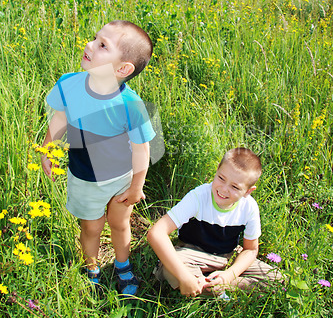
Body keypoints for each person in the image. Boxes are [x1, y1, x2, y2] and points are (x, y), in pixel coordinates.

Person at [41, 20, 156, 295]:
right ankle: (91, 266)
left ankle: (122, 264)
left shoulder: (131, 105)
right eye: (94, 38)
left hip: (120, 180)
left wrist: (136, 187)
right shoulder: (69, 84)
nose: (89, 45)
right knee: (91, 227)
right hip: (84, 177)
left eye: (102, 45)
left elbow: (142, 150)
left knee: (119, 223)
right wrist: (47, 149)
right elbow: (60, 118)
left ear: (122, 69)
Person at [148, 148, 281, 298]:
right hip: (192, 253)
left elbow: (250, 250)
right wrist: (185, 276)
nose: (223, 189)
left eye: (235, 187)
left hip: (228, 256)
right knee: (171, 268)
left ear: (248, 191)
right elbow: (156, 233)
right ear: (217, 170)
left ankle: (217, 286)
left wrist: (229, 276)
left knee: (278, 280)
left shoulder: (249, 207)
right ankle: (206, 286)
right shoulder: (198, 197)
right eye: (221, 178)